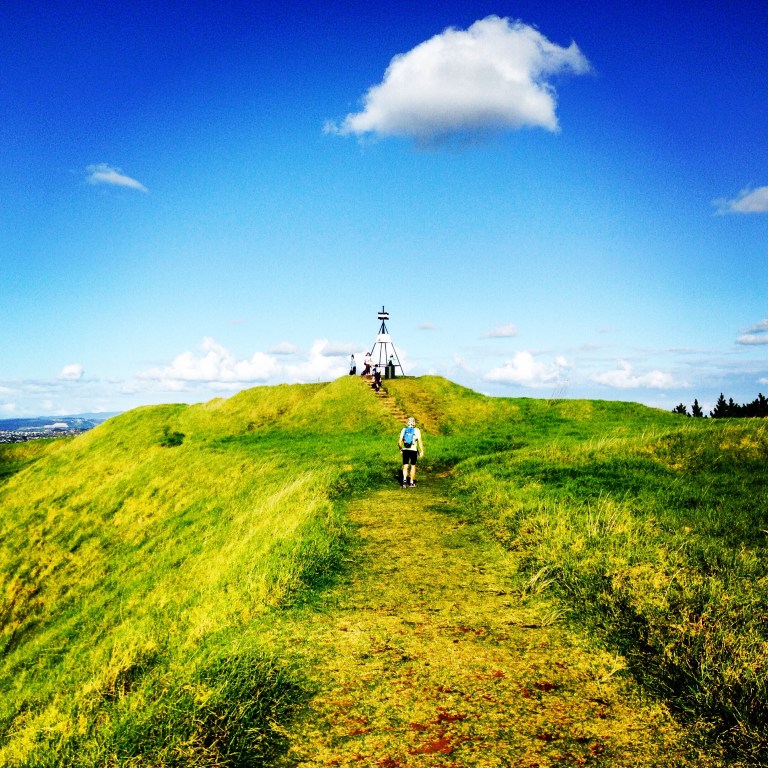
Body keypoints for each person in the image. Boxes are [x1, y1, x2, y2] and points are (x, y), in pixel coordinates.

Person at [398, 416, 424, 488]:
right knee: (413, 466)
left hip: (405, 450)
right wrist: (421, 451)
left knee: (405, 465)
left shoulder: (404, 430)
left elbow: (399, 442)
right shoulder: (417, 430)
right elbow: (420, 441)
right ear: (414, 423)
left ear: (407, 423)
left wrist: (400, 449)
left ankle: (404, 481)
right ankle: (411, 482)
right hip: (413, 450)